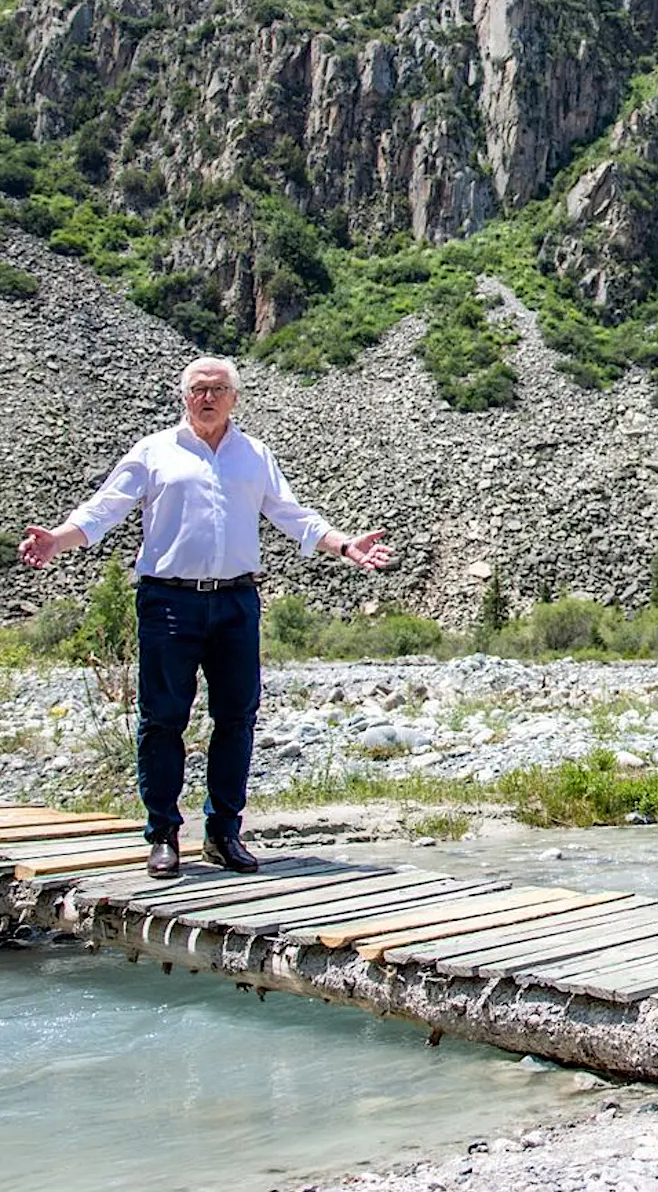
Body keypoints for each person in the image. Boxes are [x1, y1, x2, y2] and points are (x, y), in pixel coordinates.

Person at [17, 355, 392, 878]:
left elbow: (290, 512)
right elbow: (106, 508)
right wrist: (58, 538)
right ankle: (164, 835)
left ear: (235, 398)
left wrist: (344, 544)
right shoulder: (154, 452)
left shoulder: (254, 455)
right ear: (184, 396)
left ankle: (223, 834)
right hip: (169, 601)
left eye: (218, 389)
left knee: (236, 718)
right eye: (198, 389)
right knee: (163, 719)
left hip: (237, 601)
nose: (208, 397)